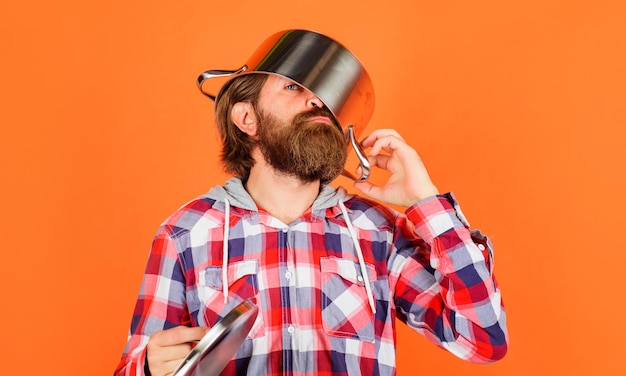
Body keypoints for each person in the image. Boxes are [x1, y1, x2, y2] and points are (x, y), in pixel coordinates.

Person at [115, 30, 508, 376]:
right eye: (293, 87)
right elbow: (138, 363)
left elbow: (482, 339)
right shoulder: (185, 233)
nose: (318, 102)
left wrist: (426, 202)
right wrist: (149, 368)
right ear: (246, 118)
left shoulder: (376, 230)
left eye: (323, 94)